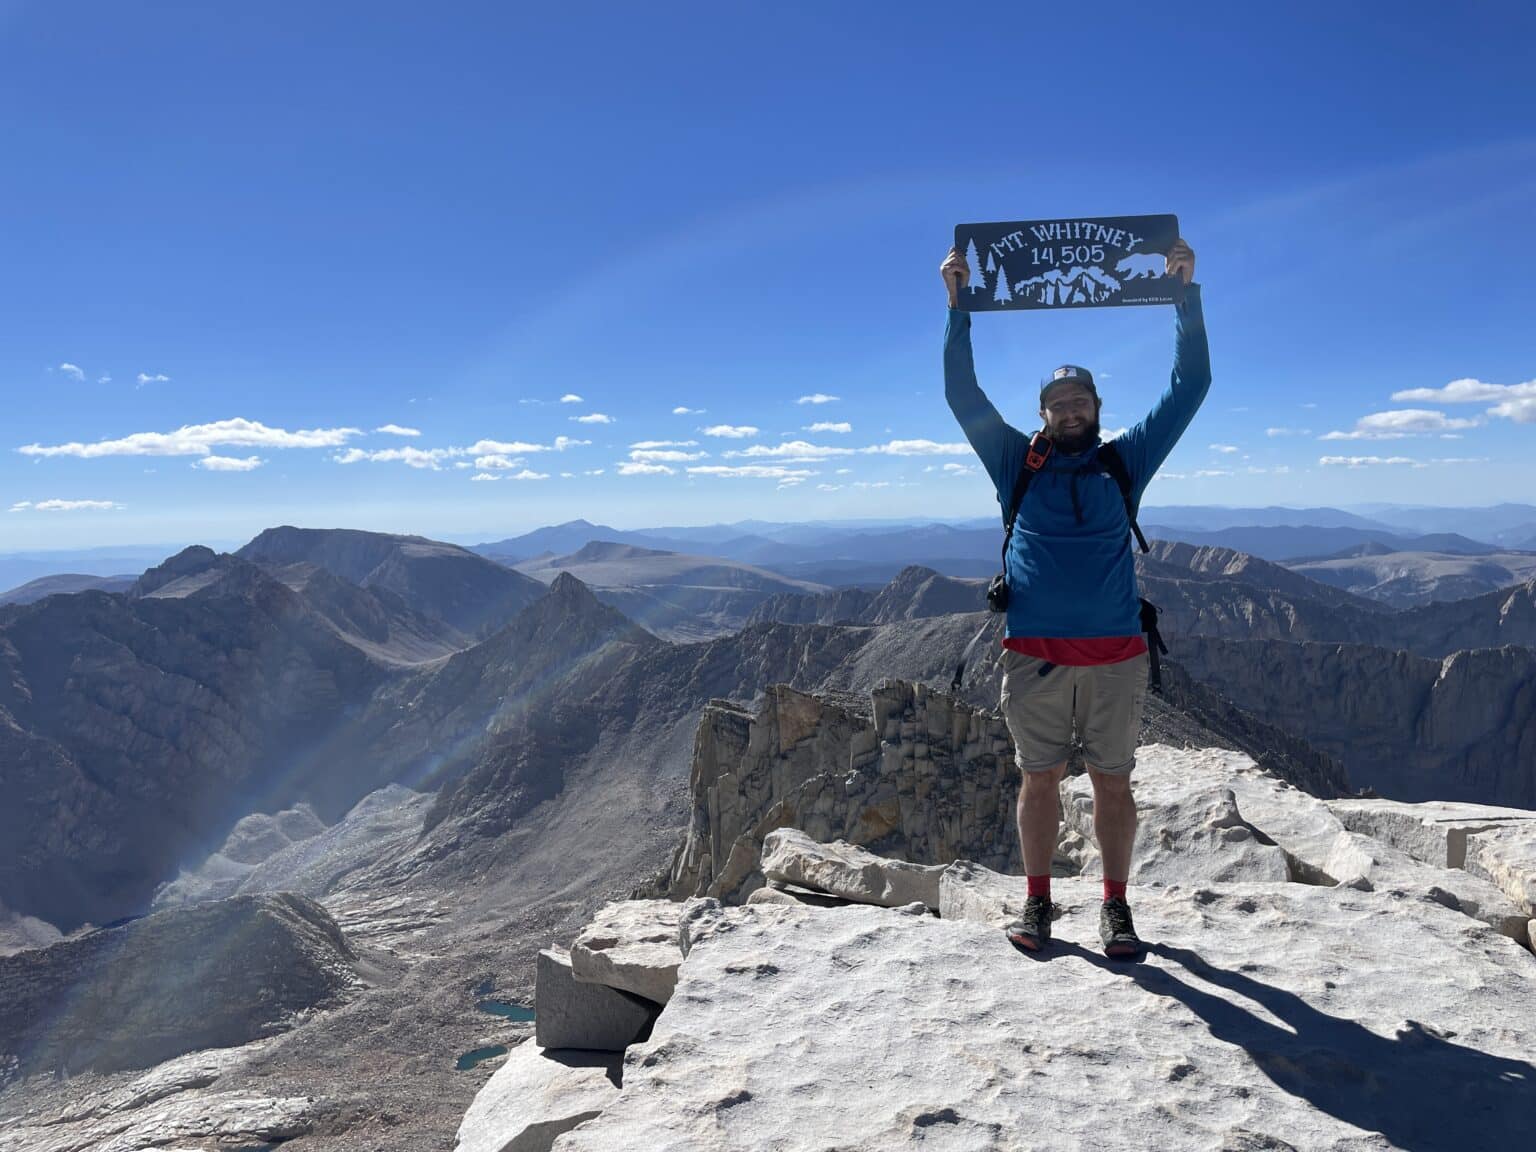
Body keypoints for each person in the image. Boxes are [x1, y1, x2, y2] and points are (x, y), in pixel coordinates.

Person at [939, 237, 1209, 956]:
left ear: (1096, 407)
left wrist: (1186, 297)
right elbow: (961, 396)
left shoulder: (1124, 463)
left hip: (1116, 656)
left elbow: (1190, 389)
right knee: (1039, 781)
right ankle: (1037, 904)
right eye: (1057, 404)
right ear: (1043, 414)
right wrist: (957, 306)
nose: (1068, 412)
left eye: (1079, 401)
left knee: (1114, 786)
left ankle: (1116, 910)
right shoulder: (1014, 465)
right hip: (1034, 656)